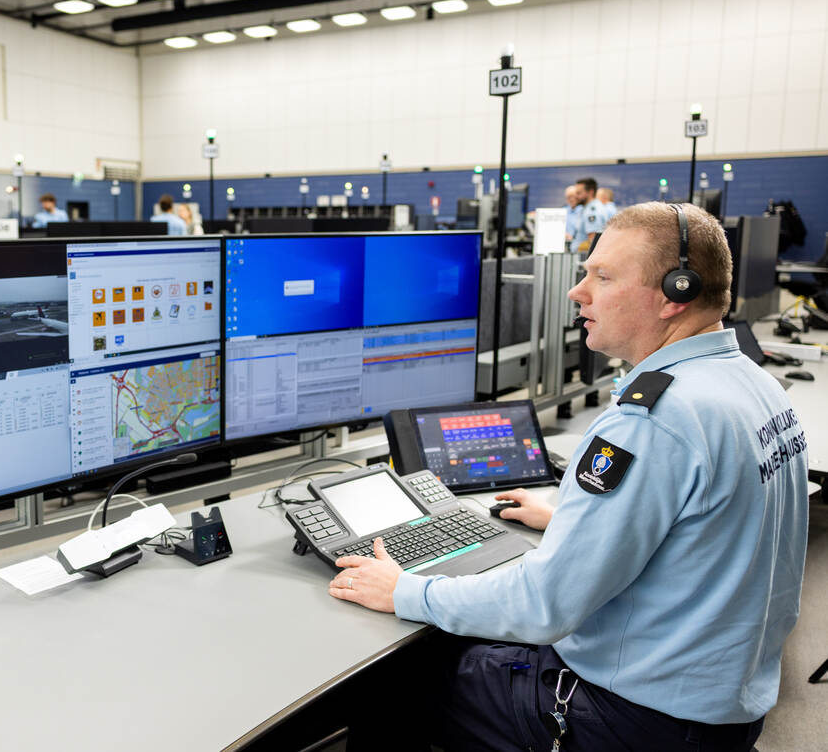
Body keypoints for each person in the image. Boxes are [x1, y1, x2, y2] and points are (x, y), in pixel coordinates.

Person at [333, 202, 808, 752]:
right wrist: (569, 520)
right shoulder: (751, 384)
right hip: (720, 707)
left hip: (632, 718)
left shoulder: (652, 419)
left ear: (675, 292)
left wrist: (406, 590)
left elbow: (544, 605)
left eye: (602, 277)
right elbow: (714, 527)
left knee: (393, 675)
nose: (577, 292)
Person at [572, 177, 606, 252]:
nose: (576, 196)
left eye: (579, 193)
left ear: (590, 192)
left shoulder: (592, 212)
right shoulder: (587, 209)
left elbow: (593, 242)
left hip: (583, 259)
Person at [563, 184, 581, 249]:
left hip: (579, 246)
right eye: (568, 197)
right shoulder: (564, 211)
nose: (571, 199)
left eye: (572, 196)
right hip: (565, 245)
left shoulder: (584, 210)